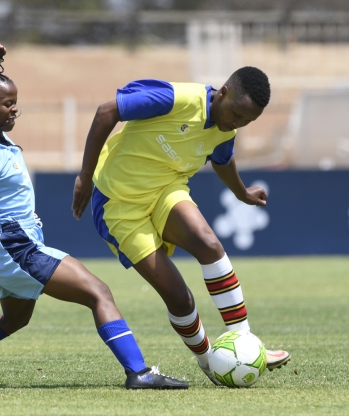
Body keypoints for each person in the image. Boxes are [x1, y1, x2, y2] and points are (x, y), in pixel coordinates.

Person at [0, 6, 189, 390]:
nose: (15, 108)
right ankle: (139, 373)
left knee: (14, 320)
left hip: (13, 244)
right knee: (99, 292)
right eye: (7, 104)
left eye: (15, 101)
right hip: (16, 243)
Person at [72, 69, 291, 384]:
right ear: (224, 91)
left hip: (166, 189)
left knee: (210, 244)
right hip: (119, 205)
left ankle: (245, 340)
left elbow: (222, 158)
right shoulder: (176, 98)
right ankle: (210, 364)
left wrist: (242, 193)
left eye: (247, 121)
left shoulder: (226, 128)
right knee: (180, 298)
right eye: (237, 114)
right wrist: (84, 176)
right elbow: (107, 111)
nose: (238, 124)